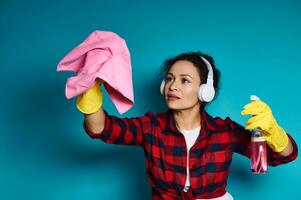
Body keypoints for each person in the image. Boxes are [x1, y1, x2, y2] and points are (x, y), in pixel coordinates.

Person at [76, 51, 298, 200]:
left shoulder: (225, 132)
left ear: (205, 91)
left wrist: (273, 131)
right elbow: (101, 128)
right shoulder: (151, 126)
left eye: (184, 80)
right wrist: (91, 91)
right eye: (170, 79)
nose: (173, 86)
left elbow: (283, 156)